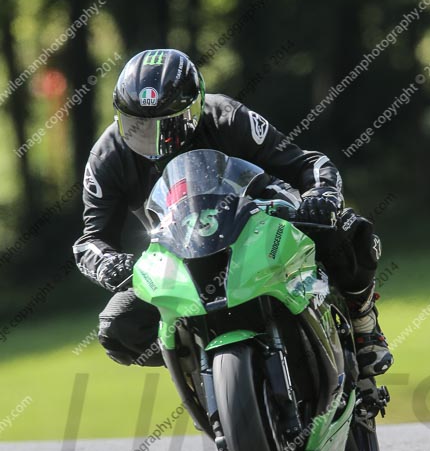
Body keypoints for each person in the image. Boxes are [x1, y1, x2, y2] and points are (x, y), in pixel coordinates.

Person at [73, 48, 393, 377]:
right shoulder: (107, 155)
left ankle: (363, 323)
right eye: (136, 125)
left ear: (194, 108)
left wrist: (321, 194)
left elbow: (306, 164)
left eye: (165, 125)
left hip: (255, 225)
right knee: (118, 328)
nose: (150, 138)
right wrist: (108, 264)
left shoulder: (225, 115)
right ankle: (201, 369)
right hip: (179, 252)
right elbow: (91, 240)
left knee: (347, 232)